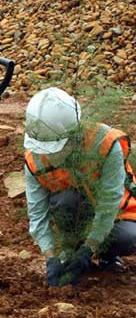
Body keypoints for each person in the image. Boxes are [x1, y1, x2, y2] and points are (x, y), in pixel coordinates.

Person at [23, 87, 136, 287]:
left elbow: (109, 205)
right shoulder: (34, 160)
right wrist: (51, 257)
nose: (49, 156)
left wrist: (89, 249)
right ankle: (69, 252)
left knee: (127, 238)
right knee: (65, 200)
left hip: (116, 213)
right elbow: (37, 214)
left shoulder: (105, 145)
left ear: (74, 134)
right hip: (76, 211)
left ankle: (106, 256)